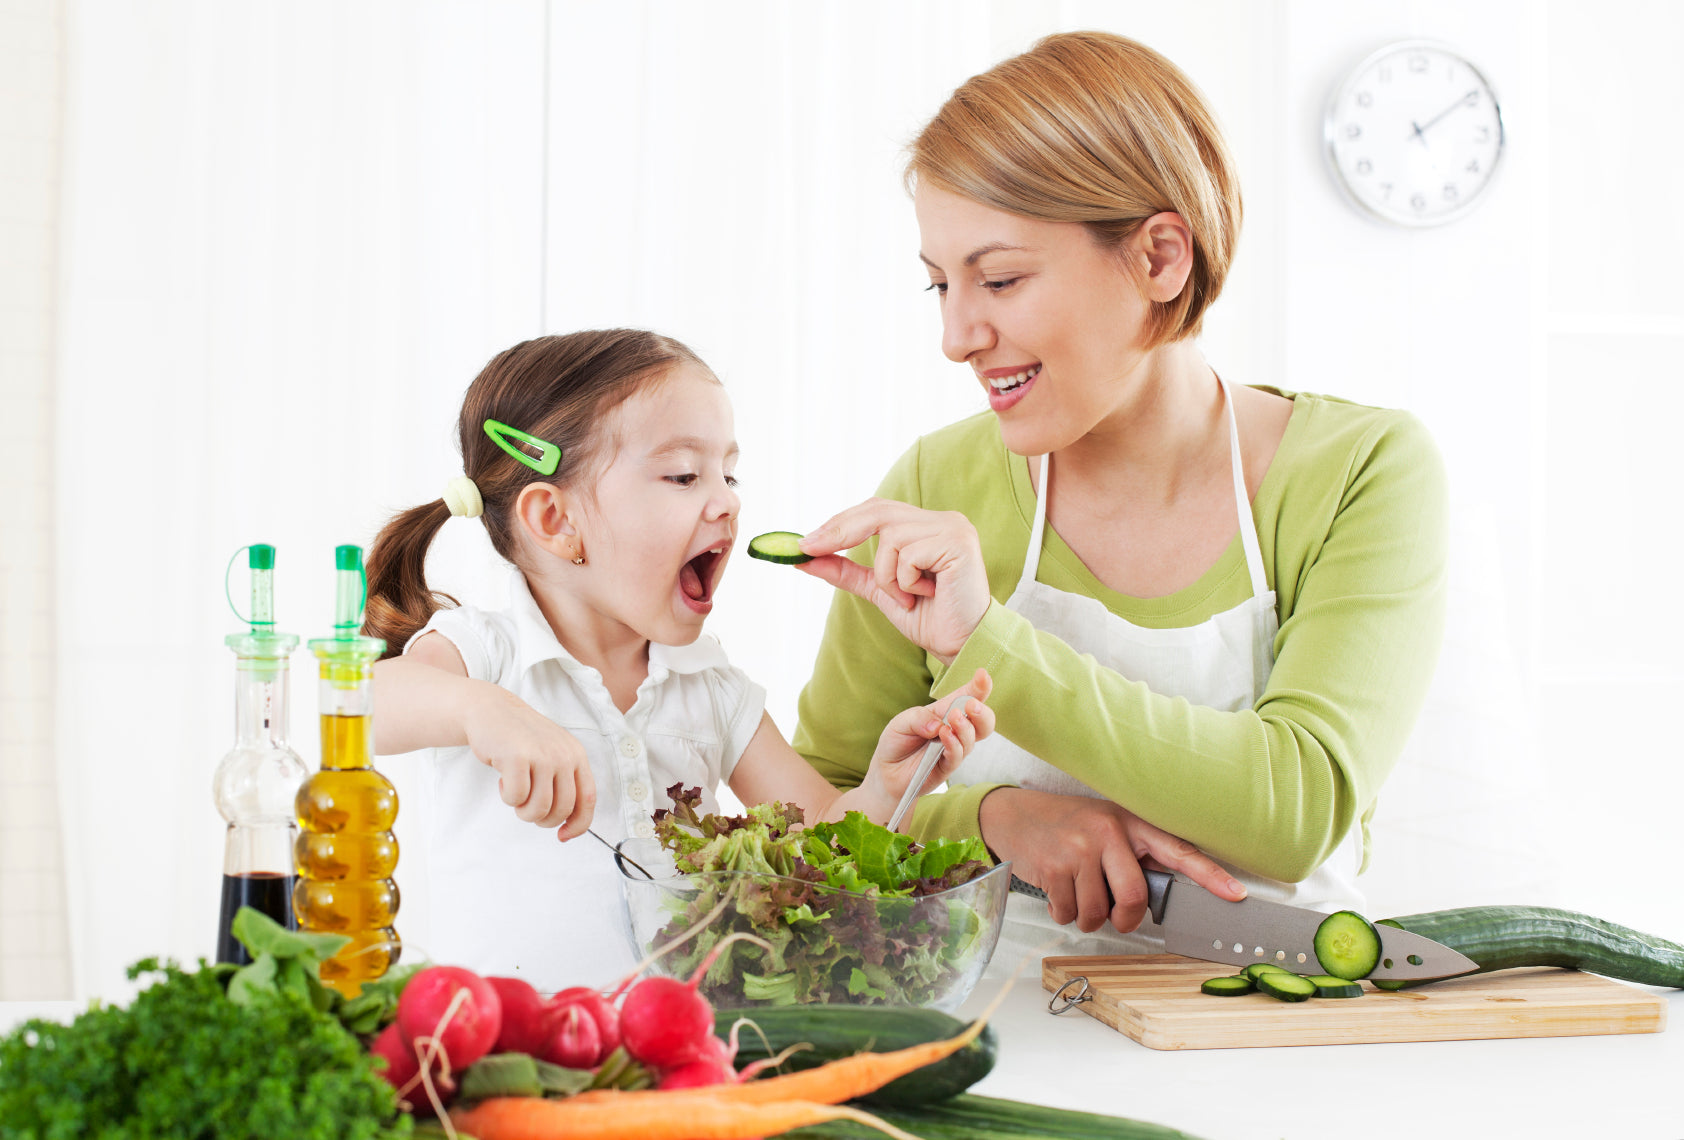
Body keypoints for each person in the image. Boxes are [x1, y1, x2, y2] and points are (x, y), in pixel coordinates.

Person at [789, 31, 1449, 967]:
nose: (956, 335)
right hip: (986, 1029)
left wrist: (989, 646)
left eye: (1002, 278)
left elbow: (1295, 809)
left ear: (1160, 259)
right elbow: (821, 813)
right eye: (939, 285)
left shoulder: (1360, 471)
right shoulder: (939, 486)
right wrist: (993, 821)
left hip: (1272, 1041)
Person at [361, 329, 996, 990]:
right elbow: (364, 702)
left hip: (676, 1049)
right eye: (684, 476)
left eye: (729, 473)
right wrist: (482, 710)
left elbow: (821, 840)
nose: (727, 501)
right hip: (507, 1051)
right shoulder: (488, 652)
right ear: (555, 519)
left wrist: (886, 787)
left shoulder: (710, 686)